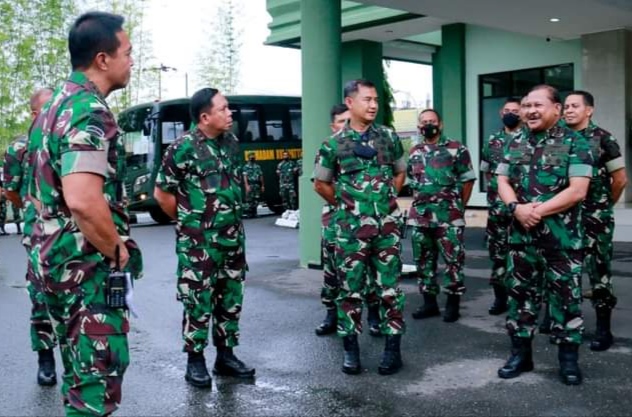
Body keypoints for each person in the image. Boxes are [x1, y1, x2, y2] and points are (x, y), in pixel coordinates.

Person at [26, 12, 144, 415]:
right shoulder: (87, 110)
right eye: (127, 52)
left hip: (54, 264)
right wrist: (118, 252)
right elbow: (82, 200)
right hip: (85, 273)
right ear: (102, 59)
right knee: (95, 386)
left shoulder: (53, 107)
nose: (132, 60)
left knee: (79, 379)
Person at [154, 87, 255, 389]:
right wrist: (190, 223)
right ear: (204, 117)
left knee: (230, 299)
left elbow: (238, 181)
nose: (229, 113)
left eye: (228, 107)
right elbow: (162, 194)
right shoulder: (182, 148)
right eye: (223, 109)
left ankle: (226, 356)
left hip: (233, 240)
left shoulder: (232, 143)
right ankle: (195, 360)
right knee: (198, 300)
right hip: (199, 244)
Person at [496, 84, 593, 385]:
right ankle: (520, 356)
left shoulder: (575, 142)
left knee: (565, 300)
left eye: (538, 105)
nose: (530, 111)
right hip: (520, 238)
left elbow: (577, 191)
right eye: (526, 106)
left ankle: (568, 361)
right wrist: (516, 208)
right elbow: (502, 181)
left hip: (561, 240)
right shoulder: (515, 141)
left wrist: (535, 212)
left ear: (556, 109)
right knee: (520, 298)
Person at [314, 79, 406, 376]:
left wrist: (384, 201)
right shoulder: (333, 144)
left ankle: (393, 350)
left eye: (376, 99)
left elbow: (400, 173)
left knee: (389, 290)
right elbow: (321, 184)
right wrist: (349, 207)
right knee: (349, 291)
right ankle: (351, 351)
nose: (373, 105)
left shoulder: (388, 137)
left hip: (386, 229)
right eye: (367, 99)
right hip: (350, 232)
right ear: (350, 102)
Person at [564, 90, 627, 351]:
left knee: (598, 272)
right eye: (566, 106)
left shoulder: (604, 138)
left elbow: (620, 179)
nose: (568, 110)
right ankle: (566, 322)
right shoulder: (558, 139)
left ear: (589, 110)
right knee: (564, 270)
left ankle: (603, 329)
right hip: (565, 217)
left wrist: (603, 206)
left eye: (574, 106)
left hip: (594, 218)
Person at [3, 88, 56, 386]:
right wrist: (29, 207)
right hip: (37, 233)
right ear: (34, 113)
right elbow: (10, 190)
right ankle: (45, 358)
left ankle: (78, 361)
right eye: (48, 107)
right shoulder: (19, 148)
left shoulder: (68, 140)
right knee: (40, 295)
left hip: (72, 233)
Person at [314, 103, 381, 337]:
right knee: (332, 269)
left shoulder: (367, 149)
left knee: (369, 267)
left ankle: (374, 314)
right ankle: (331, 313)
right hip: (335, 218)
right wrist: (344, 206)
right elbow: (320, 184)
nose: (346, 126)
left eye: (349, 121)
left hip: (366, 219)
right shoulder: (329, 149)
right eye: (341, 122)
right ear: (333, 126)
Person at [407, 109, 476, 323]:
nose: (429, 125)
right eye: (424, 122)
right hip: (421, 217)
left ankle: (453, 304)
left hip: (449, 217)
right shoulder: (414, 151)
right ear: (419, 127)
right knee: (423, 261)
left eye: (433, 121)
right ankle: (429, 303)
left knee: (453, 261)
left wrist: (459, 206)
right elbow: (413, 182)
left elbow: (468, 180)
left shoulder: (456, 148)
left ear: (441, 124)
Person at [480, 98, 523, 315]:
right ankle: (500, 298)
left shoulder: (528, 139)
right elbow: (487, 171)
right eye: (507, 110)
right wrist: (497, 195)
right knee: (498, 255)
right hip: (497, 210)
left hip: (522, 209)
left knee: (524, 256)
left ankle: (523, 300)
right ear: (501, 113)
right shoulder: (492, 140)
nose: (511, 114)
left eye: (515, 110)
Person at [242, 152, 264, 218]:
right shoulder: (246, 167)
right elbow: (245, 177)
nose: (252, 157)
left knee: (256, 199)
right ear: (248, 157)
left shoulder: (257, 166)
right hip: (250, 184)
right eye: (251, 156)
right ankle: (249, 213)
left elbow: (261, 176)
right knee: (249, 199)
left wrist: (262, 185)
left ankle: (255, 213)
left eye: (253, 156)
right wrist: (246, 186)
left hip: (256, 184)